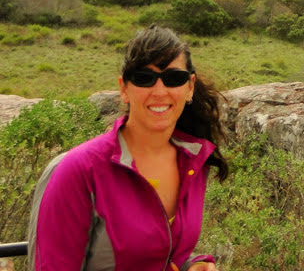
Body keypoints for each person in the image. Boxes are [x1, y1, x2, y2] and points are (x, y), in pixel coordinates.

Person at [27, 25, 228, 271]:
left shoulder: (192, 161)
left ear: (190, 87)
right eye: (144, 79)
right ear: (124, 89)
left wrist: (192, 265)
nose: (159, 91)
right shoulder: (79, 171)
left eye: (174, 78)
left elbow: (159, 252)